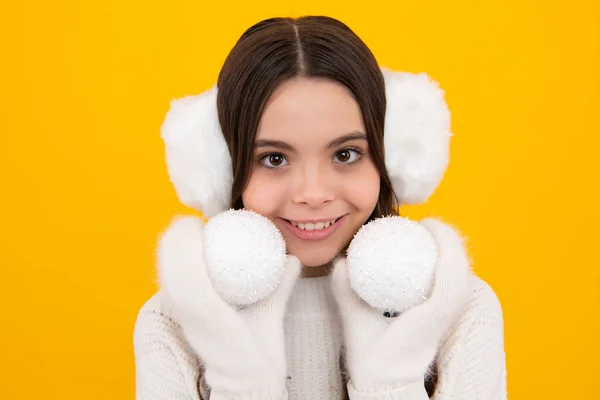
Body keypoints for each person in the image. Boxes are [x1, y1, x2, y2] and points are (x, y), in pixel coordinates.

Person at [133, 15, 507, 400]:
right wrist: (244, 384)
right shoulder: (173, 321)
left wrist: (389, 383)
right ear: (225, 168)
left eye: (346, 154)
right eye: (274, 159)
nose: (313, 193)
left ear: (388, 158)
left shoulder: (460, 309)